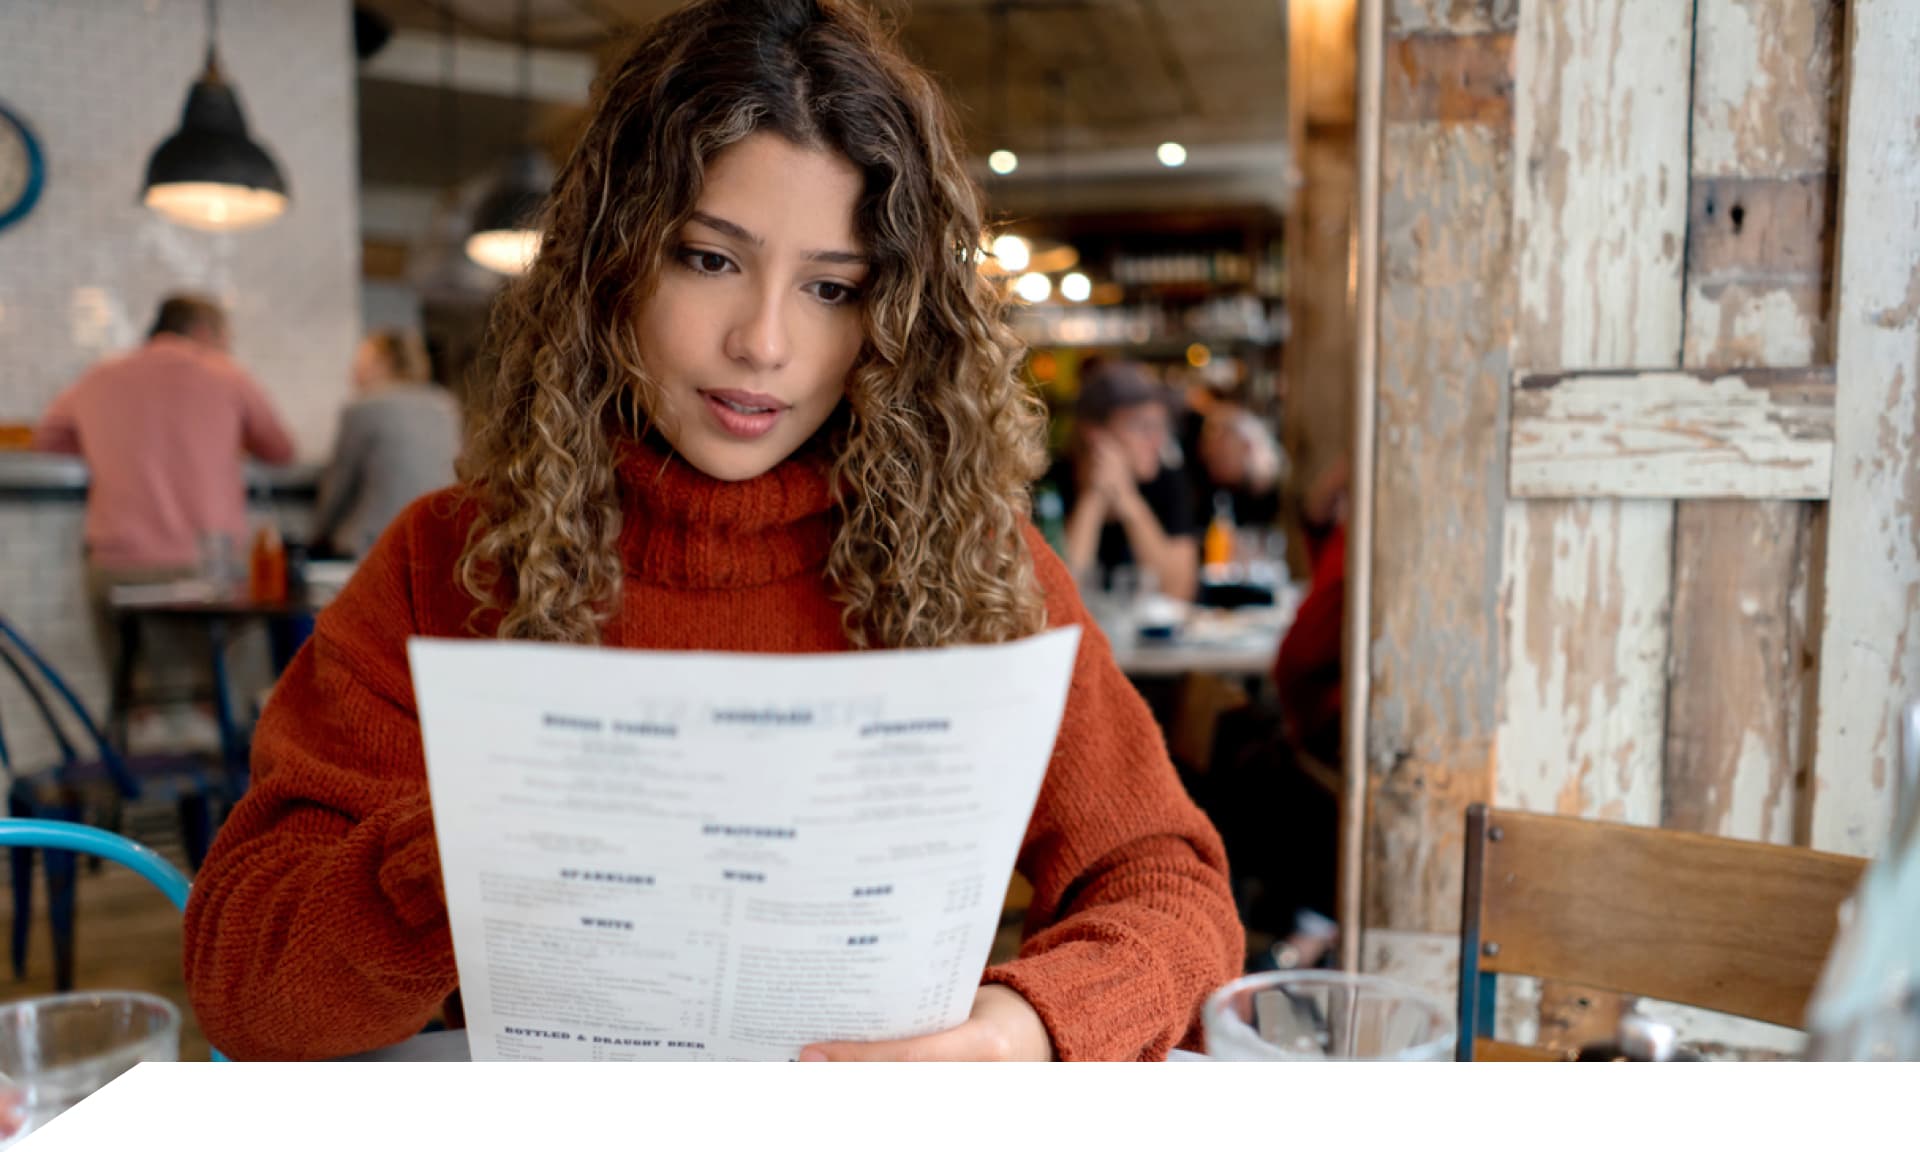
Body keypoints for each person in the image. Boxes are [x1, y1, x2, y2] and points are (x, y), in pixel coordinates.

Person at [183, 0, 1241, 1063]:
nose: (764, 342)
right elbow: (247, 991)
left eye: (833, 287)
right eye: (708, 259)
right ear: (613, 263)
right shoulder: (448, 558)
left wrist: (1024, 1032)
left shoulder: (972, 559)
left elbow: (1174, 890)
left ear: (895, 319)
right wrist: (470, 833)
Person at [34, 294, 295, 678]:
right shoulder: (226, 374)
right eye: (226, 339)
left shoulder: (99, 376)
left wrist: (107, 444)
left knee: (137, 690)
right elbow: (280, 451)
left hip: (116, 566)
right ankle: (211, 727)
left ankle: (137, 725)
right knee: (213, 689)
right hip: (207, 571)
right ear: (205, 332)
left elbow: (46, 441)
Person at [1051, 360, 1199, 601]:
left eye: (1161, 426)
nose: (1157, 440)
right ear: (1095, 434)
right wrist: (1093, 498)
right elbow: (1060, 595)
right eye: (1142, 427)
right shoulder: (1050, 484)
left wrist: (1128, 501)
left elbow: (1178, 591)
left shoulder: (1168, 480)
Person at [311, 329, 462, 558]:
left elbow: (336, 491)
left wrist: (314, 538)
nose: (353, 372)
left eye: (361, 362)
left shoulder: (363, 408)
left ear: (383, 363)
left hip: (373, 545)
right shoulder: (445, 406)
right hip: (437, 542)